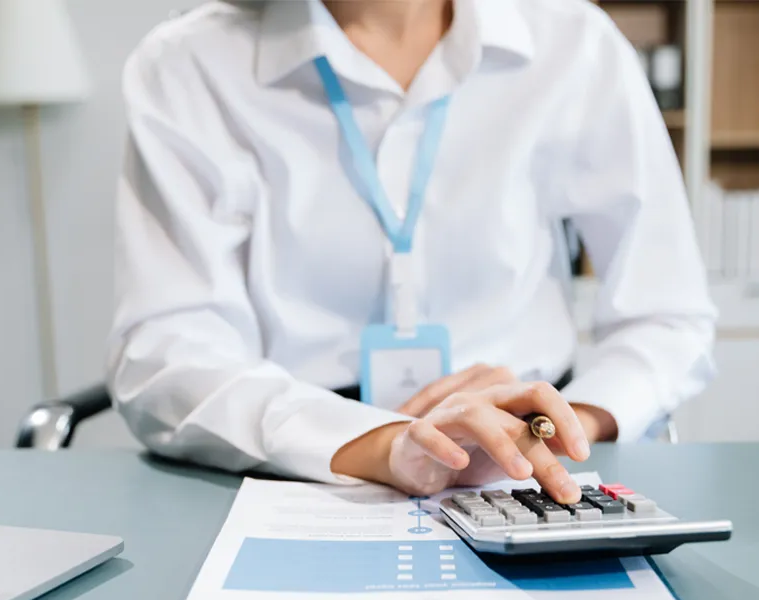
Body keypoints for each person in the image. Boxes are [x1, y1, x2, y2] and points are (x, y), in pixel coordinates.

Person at [108, 0, 717, 503]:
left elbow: (666, 314)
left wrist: (565, 425)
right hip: (304, 469)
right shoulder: (188, 67)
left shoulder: (574, 43)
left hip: (529, 460)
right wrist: (385, 442)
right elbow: (165, 353)